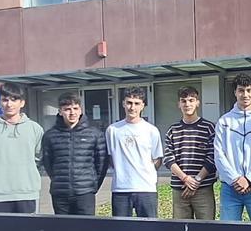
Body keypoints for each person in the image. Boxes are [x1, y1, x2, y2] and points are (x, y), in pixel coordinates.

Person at [0, 83, 44, 213]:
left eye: (14, 99)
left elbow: (38, 158)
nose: (9, 104)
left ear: (22, 103)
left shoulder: (35, 128)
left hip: (27, 194)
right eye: (5, 100)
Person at [214, 74, 251, 222]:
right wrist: (235, 179)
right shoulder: (224, 121)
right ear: (235, 92)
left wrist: (249, 179)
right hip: (230, 188)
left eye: (249, 90)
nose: (245, 95)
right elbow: (219, 153)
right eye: (241, 90)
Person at [40, 94, 108, 216]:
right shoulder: (50, 135)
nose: (72, 113)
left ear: (80, 110)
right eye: (67, 109)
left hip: (85, 193)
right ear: (60, 111)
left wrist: (91, 186)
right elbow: (47, 163)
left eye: (75, 108)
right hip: (60, 194)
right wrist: (59, 180)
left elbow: (102, 164)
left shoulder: (94, 134)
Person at [105, 88, 163, 218]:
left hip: (146, 189)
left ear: (143, 105)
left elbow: (157, 159)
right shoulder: (112, 130)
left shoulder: (151, 130)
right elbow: (110, 158)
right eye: (129, 102)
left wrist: (145, 173)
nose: (132, 107)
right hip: (121, 190)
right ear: (123, 104)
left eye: (137, 103)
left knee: (150, 230)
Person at [163, 86, 217, 220]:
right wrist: (186, 179)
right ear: (179, 104)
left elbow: (213, 157)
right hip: (180, 188)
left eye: (191, 100)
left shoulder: (209, 128)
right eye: (184, 101)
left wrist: (196, 180)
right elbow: (168, 159)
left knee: (206, 230)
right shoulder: (173, 130)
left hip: (203, 188)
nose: (187, 104)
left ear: (197, 102)